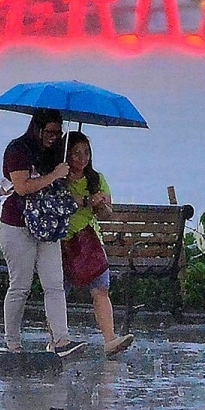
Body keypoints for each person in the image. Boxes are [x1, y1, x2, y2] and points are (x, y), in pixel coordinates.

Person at [0, 109, 86, 358]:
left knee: (54, 284)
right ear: (37, 128)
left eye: (58, 133)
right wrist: (54, 175)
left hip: (48, 226)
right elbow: (23, 187)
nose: (54, 137)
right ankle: (12, 340)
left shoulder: (55, 153)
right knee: (21, 285)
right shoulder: (18, 150)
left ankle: (61, 339)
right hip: (17, 225)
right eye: (49, 132)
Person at [62, 130, 134, 357]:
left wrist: (101, 205)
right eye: (76, 153)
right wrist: (84, 201)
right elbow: (62, 203)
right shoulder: (58, 179)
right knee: (58, 291)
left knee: (101, 288)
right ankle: (57, 338)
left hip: (89, 241)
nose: (82, 158)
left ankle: (110, 338)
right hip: (62, 241)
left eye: (86, 153)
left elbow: (107, 213)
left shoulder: (96, 179)